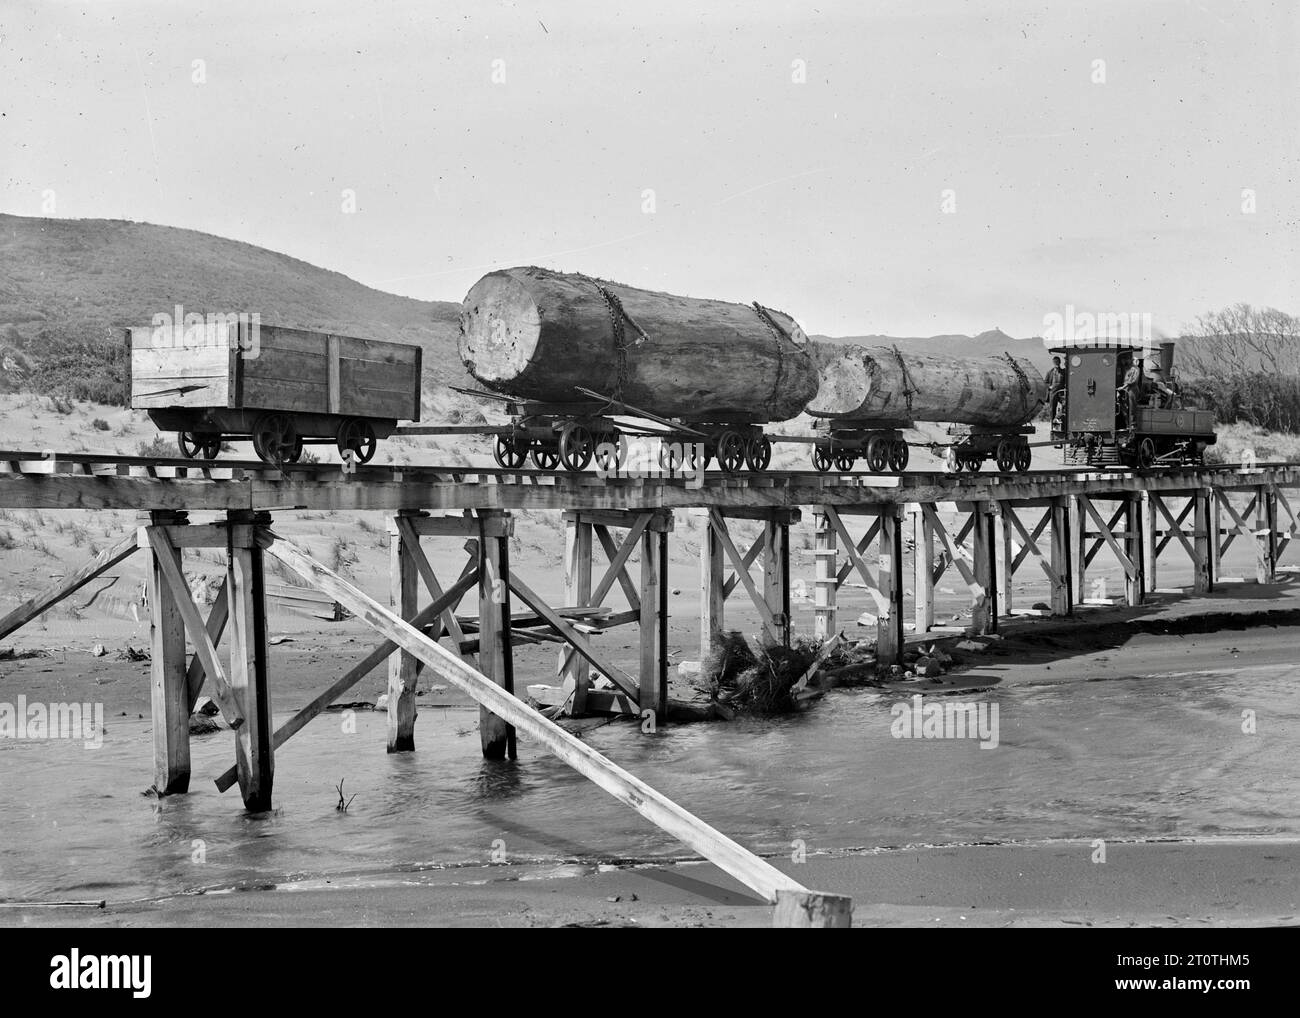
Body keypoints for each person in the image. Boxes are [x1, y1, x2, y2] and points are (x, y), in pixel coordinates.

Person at [1118, 355, 1142, 428]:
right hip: (1127, 389)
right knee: (1125, 407)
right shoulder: (1128, 369)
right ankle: (1127, 423)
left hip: (1132, 390)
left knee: (1132, 407)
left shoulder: (1135, 369)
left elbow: (1132, 381)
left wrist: (1123, 387)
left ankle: (1133, 424)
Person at [1046, 355, 1065, 427]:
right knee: (1052, 408)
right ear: (1053, 362)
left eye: (1057, 362)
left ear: (1060, 362)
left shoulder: (1064, 371)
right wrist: (1049, 387)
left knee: (1065, 405)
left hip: (1061, 391)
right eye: (1055, 362)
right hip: (1053, 392)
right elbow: (1046, 382)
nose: (1056, 363)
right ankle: (1053, 424)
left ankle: (1057, 418)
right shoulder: (1049, 372)